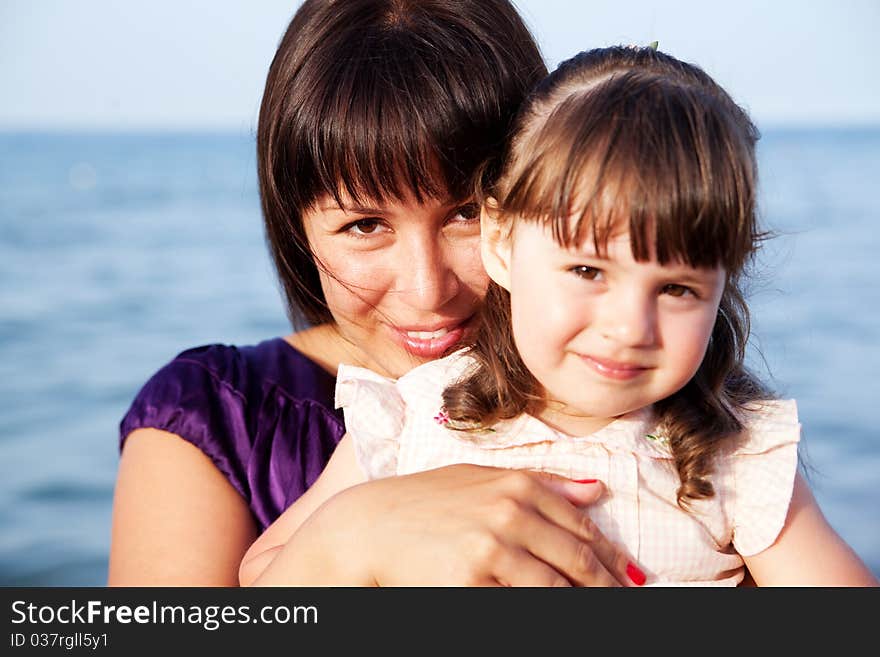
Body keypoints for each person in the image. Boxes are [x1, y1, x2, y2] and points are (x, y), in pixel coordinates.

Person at [240, 45, 879, 586]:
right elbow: (262, 579)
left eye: (678, 288)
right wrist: (359, 534)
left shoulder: (733, 455)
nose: (631, 327)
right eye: (588, 271)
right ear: (501, 243)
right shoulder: (419, 411)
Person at [109, 0, 642, 587]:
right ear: (298, 229)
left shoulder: (639, 392)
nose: (427, 289)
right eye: (364, 226)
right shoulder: (215, 424)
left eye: (466, 213)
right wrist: (346, 541)